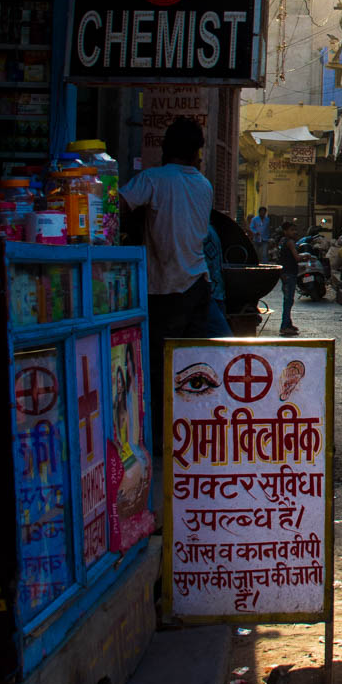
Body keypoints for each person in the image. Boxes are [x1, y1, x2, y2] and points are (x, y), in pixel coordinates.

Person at [119, 115, 230, 449]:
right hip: (198, 286)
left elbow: (116, 207)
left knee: (157, 370)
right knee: (202, 362)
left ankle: (160, 441)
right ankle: (196, 434)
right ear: (196, 153)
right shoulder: (204, 185)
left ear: (166, 148)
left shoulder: (152, 179)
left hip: (164, 291)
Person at [278, 218, 301, 335]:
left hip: (285, 273)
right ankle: (284, 326)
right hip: (289, 274)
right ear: (285, 231)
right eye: (292, 230)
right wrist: (306, 256)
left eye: (295, 230)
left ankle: (288, 323)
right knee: (288, 300)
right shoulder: (290, 242)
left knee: (288, 299)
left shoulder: (282, 241)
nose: (294, 232)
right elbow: (297, 258)